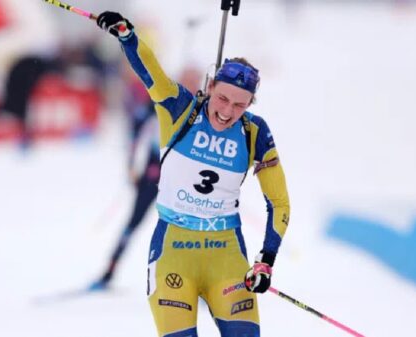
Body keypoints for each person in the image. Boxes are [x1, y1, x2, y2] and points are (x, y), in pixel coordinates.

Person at [96, 11, 290, 337]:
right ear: (210, 85)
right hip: (174, 254)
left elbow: (280, 202)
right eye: (223, 98)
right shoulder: (179, 108)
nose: (227, 112)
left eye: (240, 105)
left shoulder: (255, 132)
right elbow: (150, 71)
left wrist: (265, 261)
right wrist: (127, 35)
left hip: (226, 259)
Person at [89, 63, 204, 290]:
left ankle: (197, 281)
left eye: (195, 80)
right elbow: (136, 132)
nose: (192, 84)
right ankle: (108, 272)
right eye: (188, 79)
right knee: (133, 223)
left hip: (182, 178)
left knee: (191, 229)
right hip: (154, 173)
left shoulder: (201, 107)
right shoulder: (161, 101)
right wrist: (131, 166)